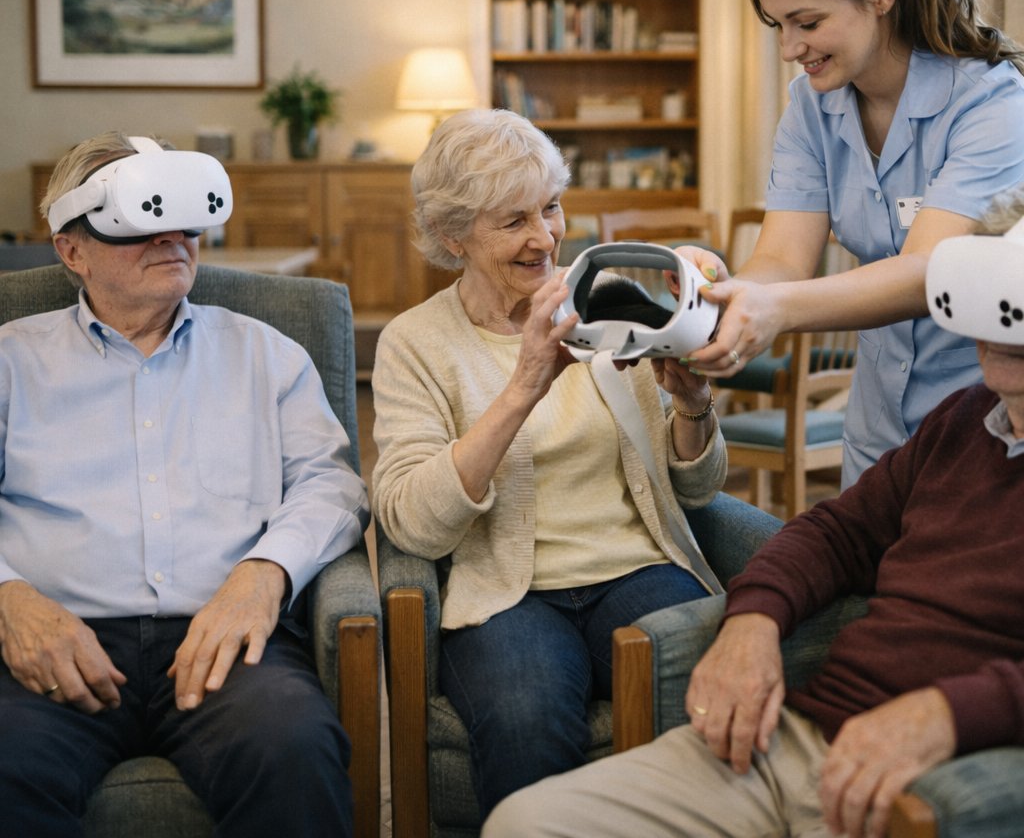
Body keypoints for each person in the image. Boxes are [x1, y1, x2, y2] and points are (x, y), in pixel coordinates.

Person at [482, 187, 1024, 838]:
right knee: (525, 822)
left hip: (921, 786)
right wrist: (754, 619)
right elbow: (837, 531)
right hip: (789, 741)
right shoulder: (962, 423)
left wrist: (948, 714)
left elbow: (695, 481)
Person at [0, 132, 370, 838]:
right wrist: (8, 599)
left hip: (227, 643)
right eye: (139, 220)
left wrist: (266, 573)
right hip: (55, 644)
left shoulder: (267, 354)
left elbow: (333, 483)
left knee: (296, 750)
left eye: (181, 216)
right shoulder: (12, 363)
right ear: (71, 249)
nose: (171, 237)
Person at [371, 107, 728, 817]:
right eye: (513, 222)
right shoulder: (413, 342)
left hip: (635, 567)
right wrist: (525, 383)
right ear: (453, 235)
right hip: (508, 596)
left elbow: (695, 488)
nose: (546, 238)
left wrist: (692, 407)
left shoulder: (611, 303)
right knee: (526, 722)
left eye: (552, 208)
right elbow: (412, 524)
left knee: (712, 690)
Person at [683, 0, 1024, 487]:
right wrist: (720, 292)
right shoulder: (812, 109)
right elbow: (783, 259)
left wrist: (773, 307)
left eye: (807, 23)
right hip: (877, 429)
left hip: (987, 421)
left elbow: (929, 272)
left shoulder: (990, 101)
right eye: (779, 26)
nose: (791, 47)